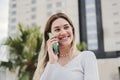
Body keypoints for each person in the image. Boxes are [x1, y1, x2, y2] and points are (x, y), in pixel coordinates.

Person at [33, 12, 99, 80]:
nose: (63, 32)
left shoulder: (86, 57)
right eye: (57, 29)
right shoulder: (48, 65)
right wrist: (52, 62)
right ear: (50, 35)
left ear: (72, 30)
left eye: (66, 27)